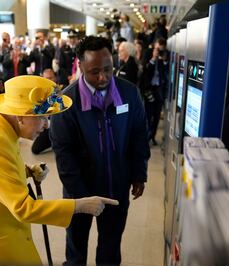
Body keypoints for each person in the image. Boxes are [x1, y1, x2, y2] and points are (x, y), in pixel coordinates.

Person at [0, 75, 118, 265]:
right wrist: (79, 205)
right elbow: (23, 208)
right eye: (42, 117)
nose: (46, 125)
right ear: (20, 116)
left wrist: (26, 171)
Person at [50, 36, 150, 265]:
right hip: (79, 192)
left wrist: (138, 173)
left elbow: (138, 136)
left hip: (116, 187)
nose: (103, 77)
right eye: (95, 71)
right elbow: (64, 153)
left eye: (108, 69)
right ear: (80, 66)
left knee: (111, 248)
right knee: (76, 251)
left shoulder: (129, 94)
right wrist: (81, 197)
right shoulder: (65, 102)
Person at [142, 37, 169, 145]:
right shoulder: (148, 53)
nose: (159, 51)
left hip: (159, 89)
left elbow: (166, 72)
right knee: (148, 115)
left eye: (161, 49)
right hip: (149, 89)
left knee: (157, 115)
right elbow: (145, 70)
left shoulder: (164, 55)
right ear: (154, 46)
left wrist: (165, 60)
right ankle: (147, 137)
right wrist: (153, 58)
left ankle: (152, 136)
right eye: (158, 48)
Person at [31, 68, 57, 155]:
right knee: (35, 149)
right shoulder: (39, 93)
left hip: (57, 126)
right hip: (46, 126)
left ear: (55, 79)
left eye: (51, 78)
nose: (48, 81)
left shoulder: (61, 92)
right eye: (46, 79)